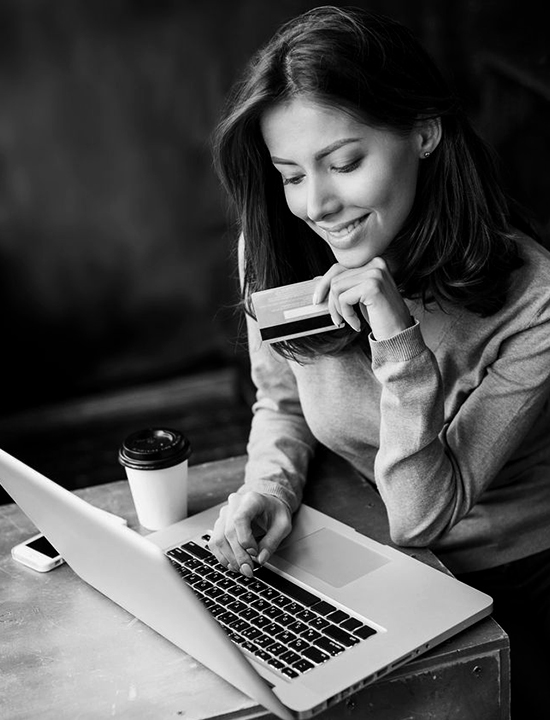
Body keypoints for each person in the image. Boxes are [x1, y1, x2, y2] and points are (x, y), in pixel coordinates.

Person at [210, 6, 550, 717]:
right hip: (363, 540)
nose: (316, 204)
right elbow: (282, 398)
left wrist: (397, 337)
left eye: (343, 163)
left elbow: (423, 517)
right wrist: (270, 489)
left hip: (511, 581)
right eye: (289, 173)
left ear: (424, 133)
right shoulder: (277, 241)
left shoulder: (534, 300)